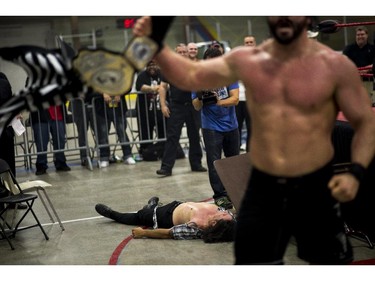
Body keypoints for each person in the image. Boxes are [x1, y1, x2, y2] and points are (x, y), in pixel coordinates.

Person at [133, 16, 375, 265]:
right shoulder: (247, 60)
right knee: (256, 263)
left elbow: (366, 123)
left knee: (330, 264)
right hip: (264, 185)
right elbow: (192, 74)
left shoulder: (335, 65)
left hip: (314, 184)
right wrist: (157, 44)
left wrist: (356, 172)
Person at [191, 47, 239, 210]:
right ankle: (220, 195)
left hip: (231, 125)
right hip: (211, 127)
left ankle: (235, 192)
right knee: (214, 162)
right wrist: (199, 97)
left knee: (233, 161)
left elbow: (235, 99)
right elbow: (196, 107)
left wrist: (217, 100)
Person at [156, 43, 206, 176]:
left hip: (193, 106)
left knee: (195, 135)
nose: (183, 54)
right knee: (172, 137)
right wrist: (163, 105)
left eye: (184, 52)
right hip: (176, 106)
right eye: (180, 52)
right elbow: (162, 87)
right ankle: (166, 168)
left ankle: (196, 164)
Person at [95, 196, 236, 243]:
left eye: (223, 215)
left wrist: (144, 233)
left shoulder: (198, 227)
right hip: (178, 204)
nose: (224, 212)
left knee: (137, 216)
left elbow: (169, 233)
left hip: (164, 216)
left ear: (215, 224)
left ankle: (112, 214)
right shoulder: (228, 218)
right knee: (149, 210)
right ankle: (151, 206)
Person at [94, 92, 136, 168]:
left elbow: (127, 85)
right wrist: (102, 94)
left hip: (119, 108)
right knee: (103, 133)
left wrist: (120, 94)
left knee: (122, 132)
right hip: (101, 108)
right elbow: (92, 88)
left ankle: (127, 155)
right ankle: (104, 157)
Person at [135, 60, 166, 157]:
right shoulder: (142, 75)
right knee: (145, 132)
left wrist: (160, 88)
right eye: (149, 65)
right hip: (145, 111)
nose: (152, 67)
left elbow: (168, 85)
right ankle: (146, 152)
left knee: (163, 131)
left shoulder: (163, 74)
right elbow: (140, 87)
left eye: (154, 64)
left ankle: (162, 150)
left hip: (160, 110)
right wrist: (154, 88)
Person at [30, 104, 71, 175]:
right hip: (40, 115)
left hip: (58, 114)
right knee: (41, 142)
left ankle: (60, 161)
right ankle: (41, 164)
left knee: (60, 140)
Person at [343, 25, 375, 103]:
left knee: (368, 104)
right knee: (353, 104)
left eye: (362, 34)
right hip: (352, 81)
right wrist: (356, 71)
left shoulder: (373, 48)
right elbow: (343, 63)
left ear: (367, 35)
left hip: (368, 81)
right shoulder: (349, 48)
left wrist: (364, 70)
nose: (360, 36)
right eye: (358, 35)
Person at [236, 35, 256, 152]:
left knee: (252, 128)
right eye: (247, 42)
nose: (249, 44)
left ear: (255, 43)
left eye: (251, 42)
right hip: (238, 99)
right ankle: (235, 152)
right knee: (236, 128)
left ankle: (250, 153)